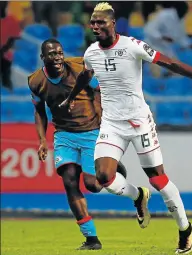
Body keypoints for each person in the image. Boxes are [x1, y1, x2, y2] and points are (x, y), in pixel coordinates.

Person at [59, 2, 192, 254]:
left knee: (159, 180)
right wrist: (72, 96)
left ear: (113, 23)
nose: (95, 26)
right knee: (104, 178)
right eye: (93, 22)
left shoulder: (132, 46)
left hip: (139, 122)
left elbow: (170, 63)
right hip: (111, 124)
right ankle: (137, 196)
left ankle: (185, 229)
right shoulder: (91, 53)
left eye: (100, 22)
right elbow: (87, 74)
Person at [28, 38, 128, 250]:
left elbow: (100, 89)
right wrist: (42, 141)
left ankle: (111, 169)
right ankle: (91, 238)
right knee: (69, 181)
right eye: (52, 54)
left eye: (59, 52)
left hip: (90, 131)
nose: (57, 57)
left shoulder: (79, 67)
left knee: (92, 185)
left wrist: (101, 113)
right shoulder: (35, 81)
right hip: (63, 135)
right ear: (42, 58)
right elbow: (39, 111)